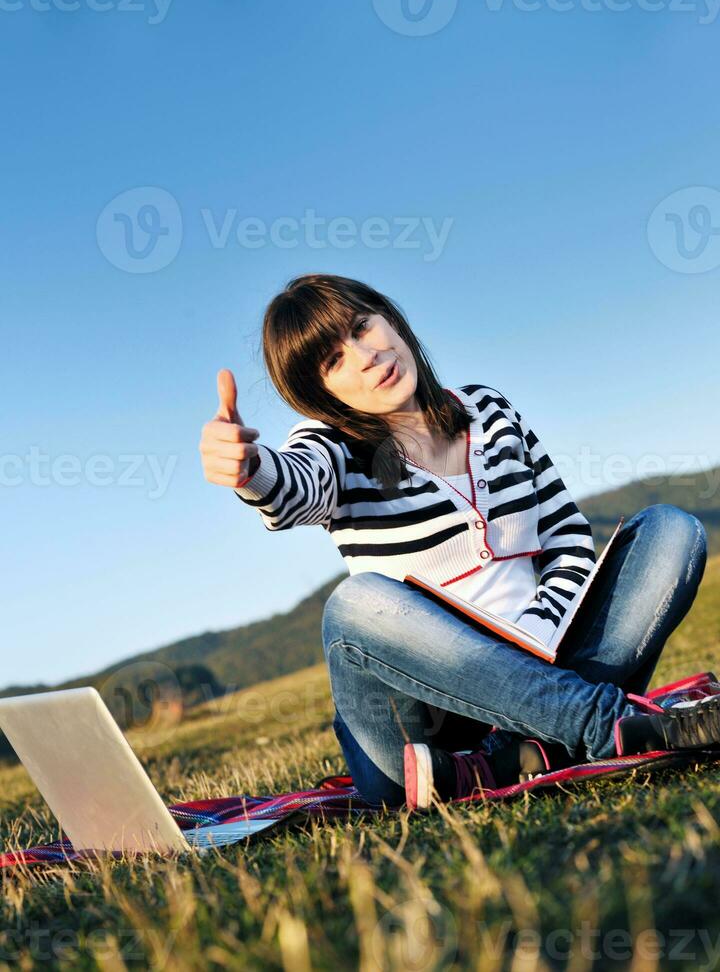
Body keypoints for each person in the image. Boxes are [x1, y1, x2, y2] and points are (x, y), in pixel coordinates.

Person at [199, 273, 714, 811]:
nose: (365, 357)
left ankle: (513, 755)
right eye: (333, 362)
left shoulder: (489, 412)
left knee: (670, 529)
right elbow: (292, 486)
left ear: (390, 319)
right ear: (319, 393)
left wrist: (537, 633)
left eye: (361, 327)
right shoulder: (333, 449)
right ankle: (609, 725)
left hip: (550, 666)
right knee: (354, 605)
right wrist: (251, 470)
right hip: (422, 728)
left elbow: (566, 536)